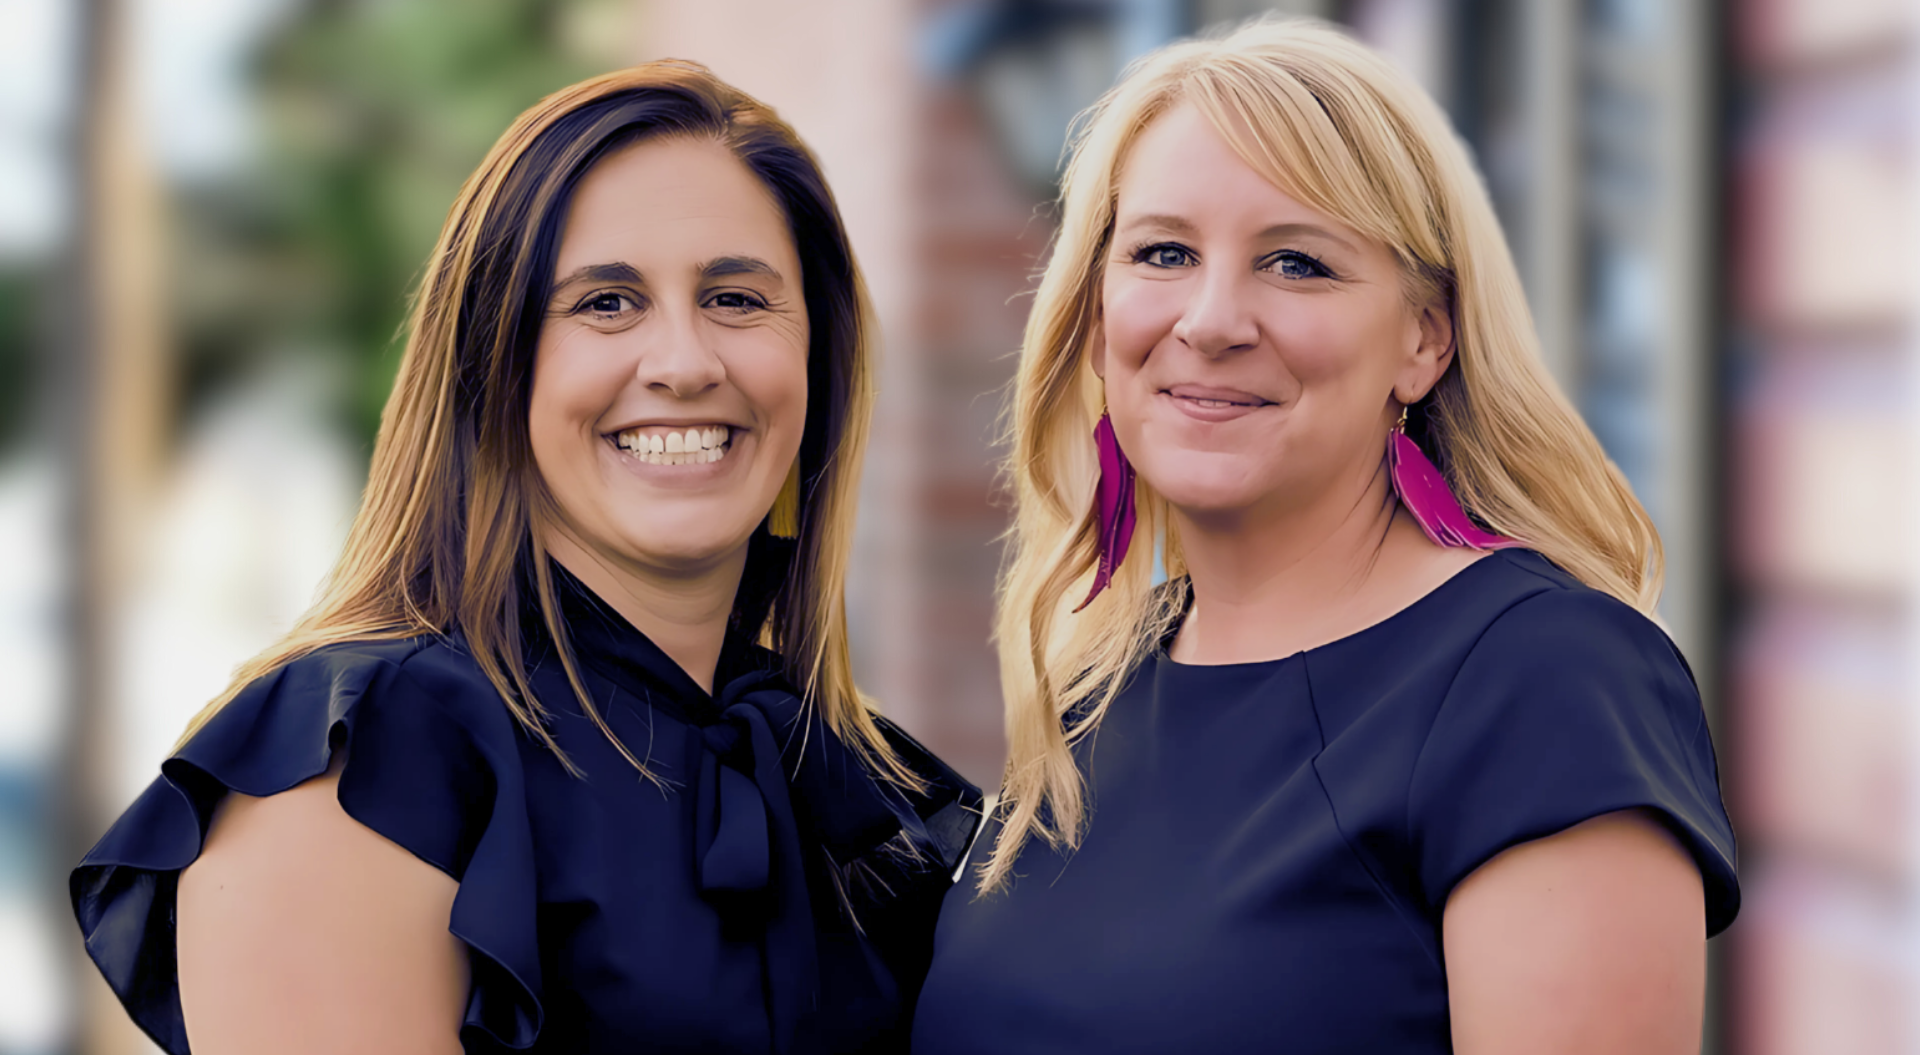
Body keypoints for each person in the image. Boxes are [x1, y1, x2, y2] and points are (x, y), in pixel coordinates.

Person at [72, 61, 980, 1055]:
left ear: (819, 360)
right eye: (605, 303)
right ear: (492, 365)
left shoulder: (866, 788)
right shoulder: (356, 759)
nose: (683, 362)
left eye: (733, 298)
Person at [914, 18, 1736, 1055]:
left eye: (1297, 262)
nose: (1211, 320)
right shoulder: (1100, 682)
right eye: (1163, 251)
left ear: (1423, 337)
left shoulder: (1543, 683)